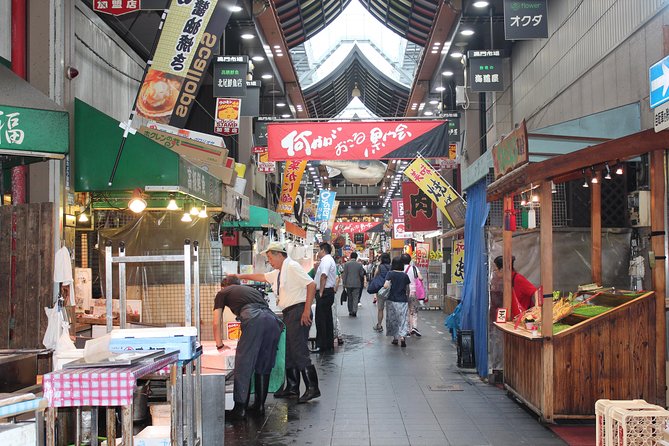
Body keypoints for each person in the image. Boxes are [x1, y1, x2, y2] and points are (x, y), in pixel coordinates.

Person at [232, 242, 320, 404]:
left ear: (279, 254)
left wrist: (307, 310)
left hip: (298, 311)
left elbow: (311, 285)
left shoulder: (292, 266)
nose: (269, 261)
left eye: (270, 257)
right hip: (290, 313)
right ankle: (292, 387)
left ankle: (312, 388)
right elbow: (262, 277)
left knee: (299, 350)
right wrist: (239, 277)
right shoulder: (279, 272)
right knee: (290, 351)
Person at [213, 276, 283, 420]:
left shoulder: (222, 293)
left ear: (224, 286)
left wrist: (219, 344)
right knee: (263, 364)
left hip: (254, 319)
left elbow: (216, 322)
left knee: (244, 363)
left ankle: (239, 409)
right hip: (272, 321)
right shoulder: (250, 290)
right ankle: (259, 406)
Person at [312, 242, 337, 353]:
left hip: (325, 292)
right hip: (328, 292)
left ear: (323, 250)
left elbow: (324, 275)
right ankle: (328, 343)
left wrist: (320, 292)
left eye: (318, 250)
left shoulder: (326, 260)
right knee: (327, 318)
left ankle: (321, 345)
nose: (318, 253)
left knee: (321, 319)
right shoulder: (329, 260)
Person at [382, 256, 411, 347]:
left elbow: (385, 286)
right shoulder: (405, 275)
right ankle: (402, 337)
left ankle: (395, 338)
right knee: (403, 319)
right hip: (403, 300)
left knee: (393, 319)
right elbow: (408, 289)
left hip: (391, 300)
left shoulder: (390, 274)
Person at [401, 253, 424, 337]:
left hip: (403, 292)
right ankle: (414, 327)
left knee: (405, 311)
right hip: (413, 292)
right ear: (410, 260)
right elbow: (420, 278)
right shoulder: (414, 268)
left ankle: (406, 329)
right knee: (413, 310)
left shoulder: (400, 269)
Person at [341, 252, 365, 317]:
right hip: (357, 284)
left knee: (350, 298)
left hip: (348, 283)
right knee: (355, 297)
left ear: (351, 256)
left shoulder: (346, 264)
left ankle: (350, 311)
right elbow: (361, 274)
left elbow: (344, 275)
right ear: (356, 257)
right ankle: (354, 311)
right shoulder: (359, 265)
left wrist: (344, 284)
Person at [372, 252, 391, 332]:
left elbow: (375, 275)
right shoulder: (391, 267)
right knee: (390, 309)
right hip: (390, 289)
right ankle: (390, 326)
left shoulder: (379, 267)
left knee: (380, 309)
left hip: (381, 290)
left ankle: (379, 325)